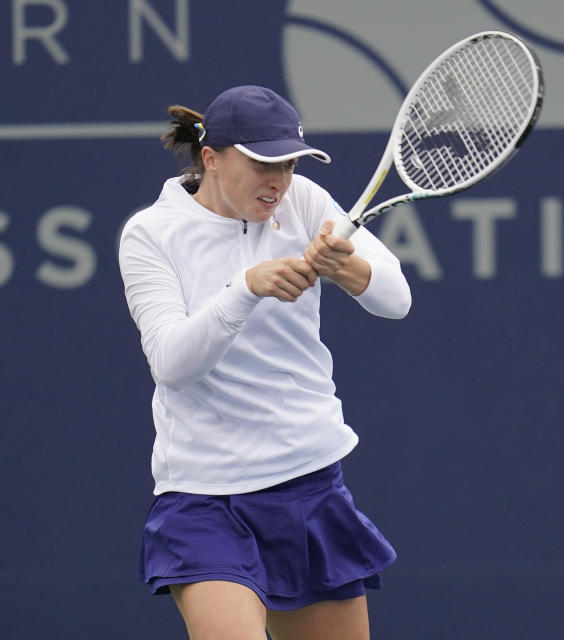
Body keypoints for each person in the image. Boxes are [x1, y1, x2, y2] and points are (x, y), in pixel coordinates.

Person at [118, 85, 411, 640]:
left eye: (290, 163)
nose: (278, 180)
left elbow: (396, 300)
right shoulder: (151, 234)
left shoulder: (304, 201)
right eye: (262, 163)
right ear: (211, 159)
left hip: (309, 484)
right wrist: (244, 289)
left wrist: (343, 268)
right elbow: (173, 364)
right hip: (205, 498)